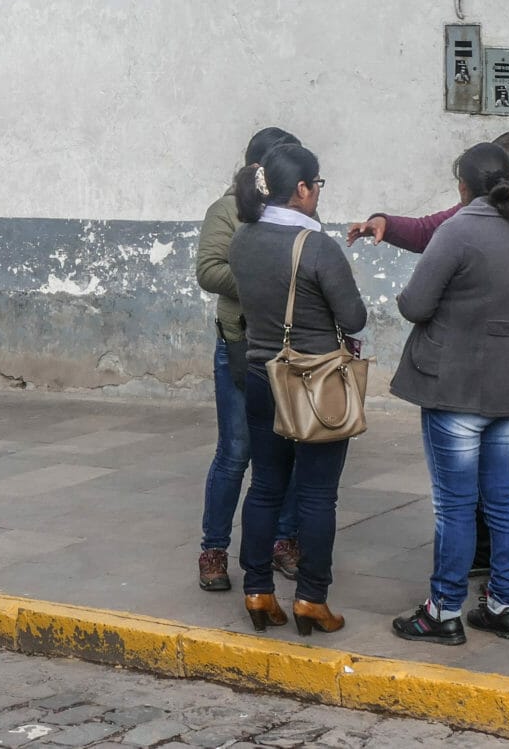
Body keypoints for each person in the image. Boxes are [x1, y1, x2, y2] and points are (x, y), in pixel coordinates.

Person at [347, 132, 509, 589]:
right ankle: (491, 565)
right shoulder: (472, 217)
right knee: (493, 478)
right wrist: (385, 222)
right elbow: (428, 230)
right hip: (491, 360)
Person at [388, 143, 509, 647]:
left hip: (455, 383)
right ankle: (505, 606)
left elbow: (415, 305)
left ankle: (443, 610)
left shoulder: (456, 230)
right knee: (503, 498)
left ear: (463, 185)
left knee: (455, 506)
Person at [230, 142, 366, 637]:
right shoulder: (317, 247)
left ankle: (258, 589)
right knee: (316, 495)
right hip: (315, 382)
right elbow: (354, 317)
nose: (318, 195)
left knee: (265, 485)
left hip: (262, 375)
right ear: (302, 189)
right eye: (317, 186)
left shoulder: (244, 239)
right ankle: (311, 598)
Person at [196, 126, 305, 593]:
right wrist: (264, 282)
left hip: (292, 347)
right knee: (236, 452)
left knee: (291, 450)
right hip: (241, 344)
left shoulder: (296, 212)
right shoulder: (226, 210)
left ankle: (283, 541)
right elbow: (209, 270)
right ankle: (214, 549)